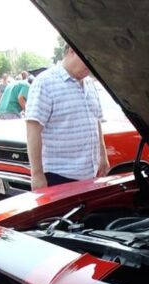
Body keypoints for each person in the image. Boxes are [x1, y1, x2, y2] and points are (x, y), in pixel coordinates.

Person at [26, 44, 109, 190]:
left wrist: (103, 156)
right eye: (88, 59)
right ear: (72, 51)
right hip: (58, 176)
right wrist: (37, 175)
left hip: (90, 174)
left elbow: (96, 121)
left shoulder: (89, 84)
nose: (91, 66)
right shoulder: (45, 83)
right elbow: (33, 130)